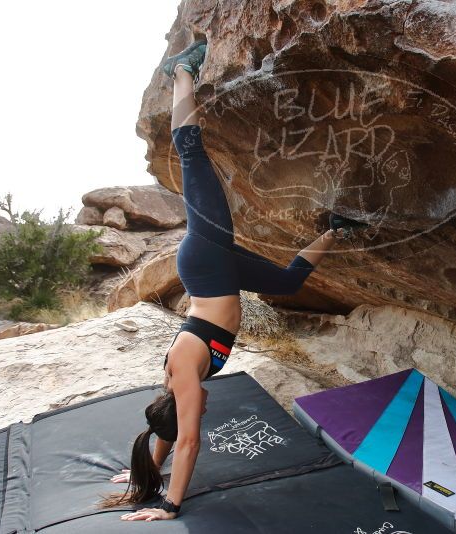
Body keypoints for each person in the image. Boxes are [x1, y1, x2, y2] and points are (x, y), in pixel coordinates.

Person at [99, 38, 369, 521]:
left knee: (191, 152)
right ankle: (336, 229)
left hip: (205, 263)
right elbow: (167, 433)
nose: (200, 410)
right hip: (221, 273)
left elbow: (186, 441)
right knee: (286, 282)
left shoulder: (182, 372)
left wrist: (169, 504)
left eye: (193, 410)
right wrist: (143, 469)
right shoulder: (179, 391)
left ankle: (181, 73)